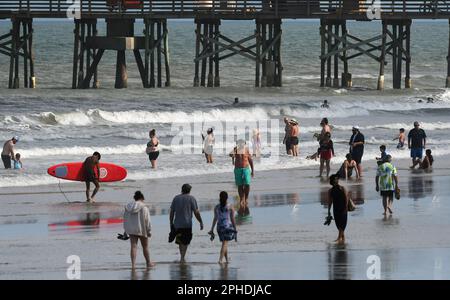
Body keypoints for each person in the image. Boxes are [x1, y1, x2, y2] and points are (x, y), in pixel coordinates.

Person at [169, 184, 204, 263]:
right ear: (189, 190)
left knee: (180, 241)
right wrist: (200, 221)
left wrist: (171, 223)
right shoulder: (191, 198)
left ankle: (182, 256)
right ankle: (182, 257)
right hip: (187, 224)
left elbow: (171, 212)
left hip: (177, 224)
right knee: (185, 241)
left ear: (182, 189)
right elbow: (196, 212)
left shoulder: (176, 198)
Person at [123, 191, 154, 269]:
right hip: (142, 229)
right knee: (145, 247)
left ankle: (133, 265)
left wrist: (125, 231)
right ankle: (148, 263)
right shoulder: (144, 207)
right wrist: (149, 231)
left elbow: (125, 219)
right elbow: (148, 221)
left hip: (131, 229)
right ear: (142, 198)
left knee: (133, 247)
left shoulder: (128, 207)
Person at [208, 191, 237, 264]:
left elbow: (215, 218)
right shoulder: (230, 206)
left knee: (224, 243)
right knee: (225, 243)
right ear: (227, 198)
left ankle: (227, 259)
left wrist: (212, 229)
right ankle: (220, 259)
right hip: (227, 227)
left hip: (219, 227)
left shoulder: (217, 207)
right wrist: (235, 228)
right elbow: (233, 218)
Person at [230, 139, 255, 216]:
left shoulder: (246, 149)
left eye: (242, 144)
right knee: (240, 185)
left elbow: (250, 159)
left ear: (244, 144)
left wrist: (252, 170)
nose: (241, 145)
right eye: (239, 144)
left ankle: (246, 198)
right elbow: (231, 154)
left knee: (247, 184)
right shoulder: (235, 149)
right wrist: (233, 154)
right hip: (237, 169)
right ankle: (241, 198)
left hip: (246, 169)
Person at [327, 174, 348, 244]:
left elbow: (346, 198)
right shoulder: (330, 191)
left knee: (342, 223)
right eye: (335, 179)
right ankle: (343, 237)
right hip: (335, 209)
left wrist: (345, 207)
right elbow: (330, 201)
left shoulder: (342, 188)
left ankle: (339, 238)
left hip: (343, 208)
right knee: (338, 224)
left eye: (337, 179)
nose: (337, 180)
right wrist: (328, 211)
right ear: (332, 181)